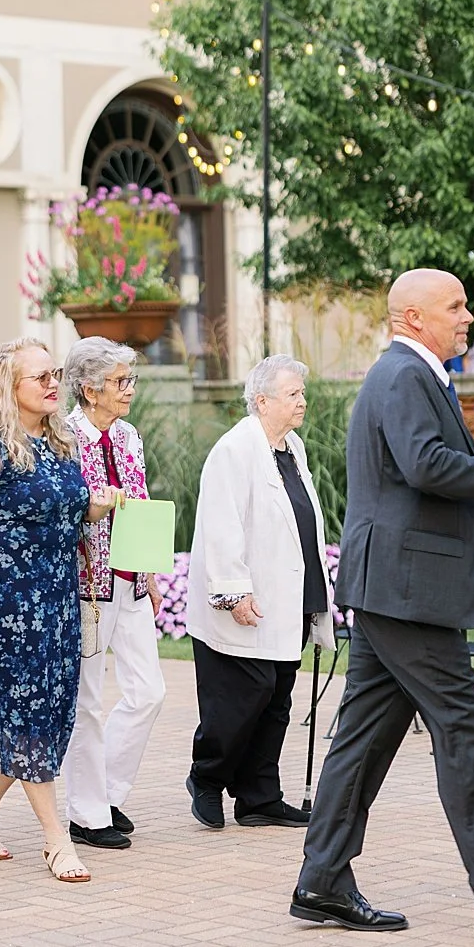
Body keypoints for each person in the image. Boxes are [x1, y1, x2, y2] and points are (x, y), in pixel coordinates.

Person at [290, 269, 474, 945]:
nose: (467, 315)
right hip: (407, 594)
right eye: (454, 306)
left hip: (396, 589)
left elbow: (419, 474)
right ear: (413, 317)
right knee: (460, 729)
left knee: (362, 741)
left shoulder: (416, 375)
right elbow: (425, 464)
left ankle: (322, 882)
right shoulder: (402, 376)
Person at [0, 339, 117, 883]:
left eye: (56, 374)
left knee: (51, 712)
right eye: (40, 376)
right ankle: (56, 840)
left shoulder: (59, 439)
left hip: (58, 599)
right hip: (7, 605)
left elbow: (68, 509)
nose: (52, 384)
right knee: (28, 716)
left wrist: (102, 502)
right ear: (8, 385)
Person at [188, 355, 337, 833]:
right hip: (245, 600)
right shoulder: (235, 450)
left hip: (288, 595)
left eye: (301, 392)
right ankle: (206, 780)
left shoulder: (291, 447)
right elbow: (219, 525)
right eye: (293, 394)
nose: (302, 401)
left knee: (277, 701)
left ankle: (259, 798)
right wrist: (233, 591)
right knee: (238, 700)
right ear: (261, 401)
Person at [58, 336, 164, 850]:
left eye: (130, 380)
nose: (129, 390)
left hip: (130, 580)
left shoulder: (128, 436)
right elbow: (63, 512)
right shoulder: (63, 437)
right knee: (90, 701)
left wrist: (149, 574)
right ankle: (87, 812)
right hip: (87, 587)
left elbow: (139, 503)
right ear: (88, 387)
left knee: (149, 692)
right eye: (122, 381)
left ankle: (109, 793)